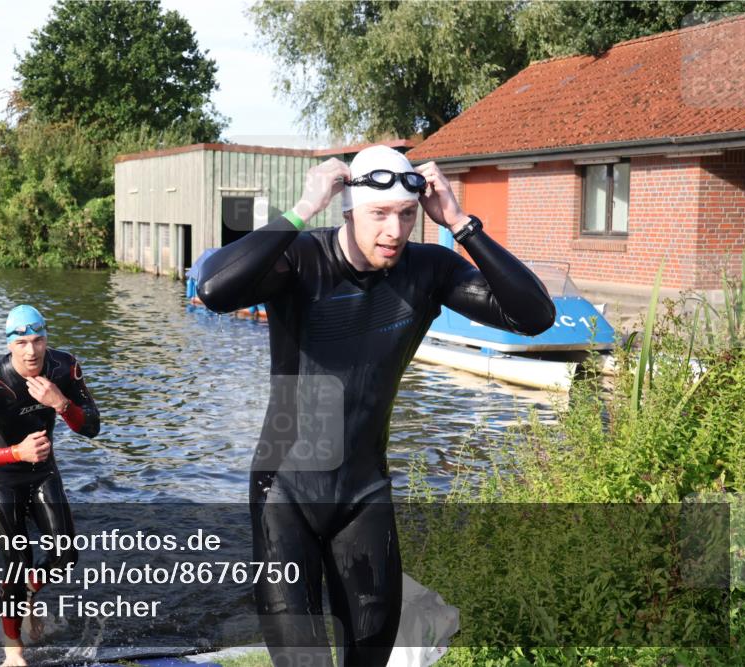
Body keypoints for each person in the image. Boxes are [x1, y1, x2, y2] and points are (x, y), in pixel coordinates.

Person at [197, 145, 556, 667]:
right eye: (379, 214)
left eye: (407, 215)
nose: (394, 230)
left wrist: (459, 222)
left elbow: (535, 316)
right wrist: (300, 208)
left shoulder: (428, 270)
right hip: (285, 492)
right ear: (348, 210)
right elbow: (213, 288)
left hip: (365, 493)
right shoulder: (301, 260)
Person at [0, 305, 100, 667]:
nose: (32, 351)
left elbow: (92, 426)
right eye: (22, 342)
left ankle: (25, 593)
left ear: (46, 338)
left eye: (38, 340)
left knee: (66, 556)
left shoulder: (63, 367)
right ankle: (12, 650)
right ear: (9, 345)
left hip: (41, 469)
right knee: (17, 561)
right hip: (2, 475)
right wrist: (16, 451)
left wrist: (61, 403)